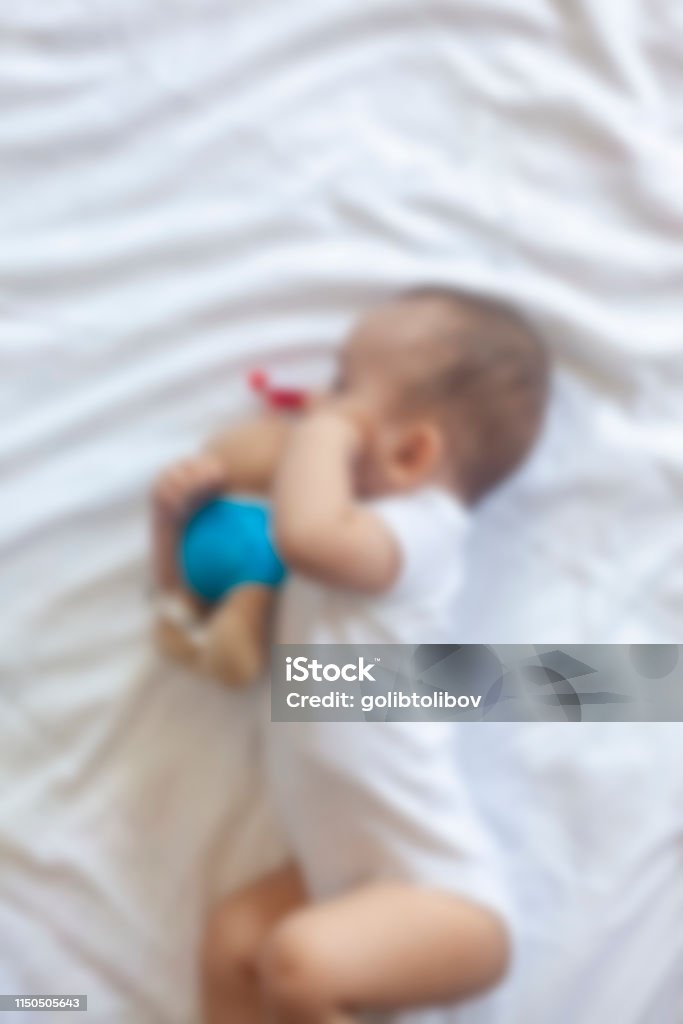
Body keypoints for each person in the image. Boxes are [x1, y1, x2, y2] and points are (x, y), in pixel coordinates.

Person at [152, 288, 550, 1023]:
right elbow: (202, 625)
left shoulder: (423, 532)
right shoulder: (330, 559)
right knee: (238, 939)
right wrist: (170, 524)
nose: (314, 409)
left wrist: (318, 437)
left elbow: (307, 534)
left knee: (300, 959)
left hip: (444, 898)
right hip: (343, 882)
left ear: (411, 454)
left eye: (341, 392)